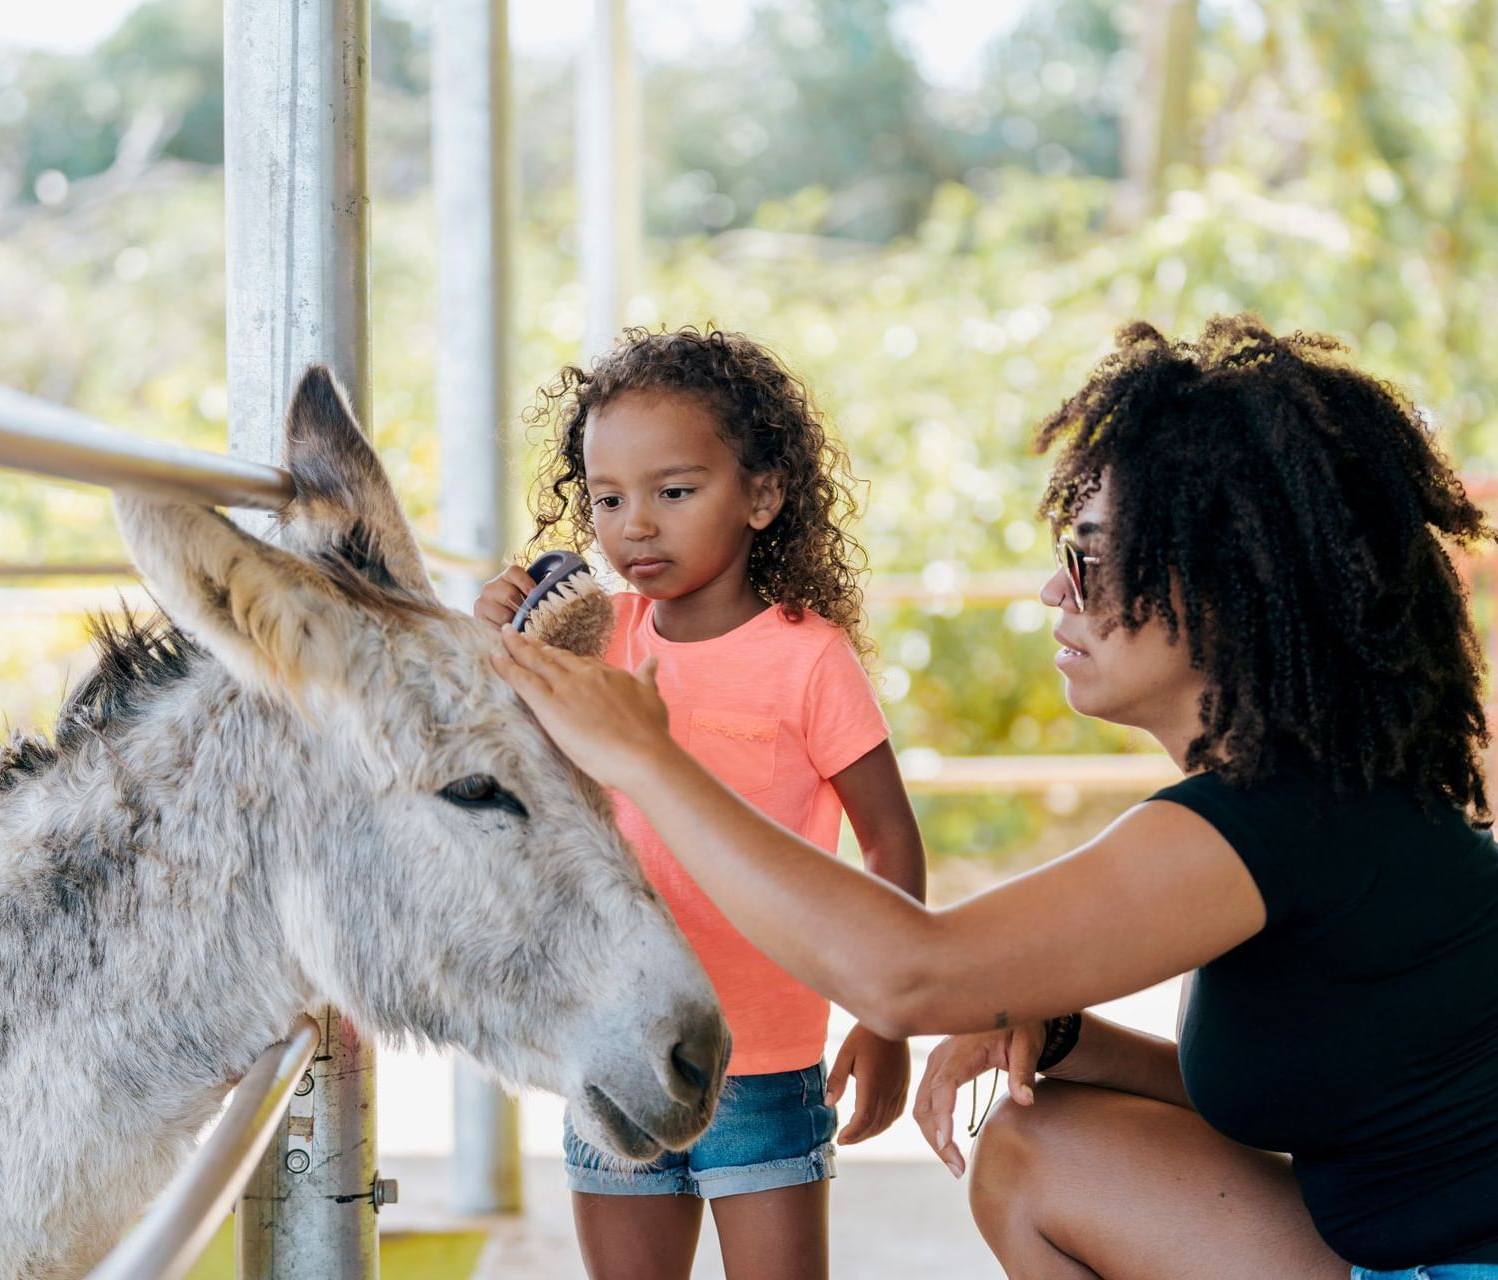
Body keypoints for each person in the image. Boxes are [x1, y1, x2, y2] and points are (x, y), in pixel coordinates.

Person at [490, 315, 1498, 1280]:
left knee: (1032, 1144)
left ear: (1228, 582)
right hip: (1396, 1251)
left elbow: (910, 975)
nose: (1057, 592)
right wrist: (1069, 1035)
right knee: (1032, 1143)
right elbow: (1339, 1087)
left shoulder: (1273, 820)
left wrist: (650, 759)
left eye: (1091, 556)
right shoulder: (1311, 799)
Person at [473, 326, 926, 1280]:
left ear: (761, 495)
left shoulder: (809, 658)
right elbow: (490, 765)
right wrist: (496, 642)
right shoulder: (590, 638)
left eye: (673, 492)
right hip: (614, 1040)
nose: (634, 524)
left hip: (764, 1062)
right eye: (607, 498)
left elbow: (888, 840)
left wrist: (883, 1024)